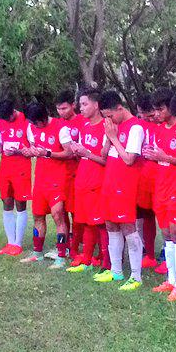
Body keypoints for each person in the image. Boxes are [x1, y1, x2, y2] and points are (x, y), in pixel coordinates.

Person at [143, 91, 176, 301]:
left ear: (170, 109)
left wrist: (165, 157)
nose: (156, 114)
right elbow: (160, 157)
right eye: (154, 110)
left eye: (160, 109)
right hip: (161, 188)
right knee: (166, 234)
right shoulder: (157, 130)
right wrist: (154, 157)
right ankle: (171, 280)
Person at [93, 90, 146, 290]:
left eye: (110, 115)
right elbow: (104, 155)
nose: (108, 119)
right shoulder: (114, 127)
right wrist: (108, 137)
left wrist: (114, 137)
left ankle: (135, 276)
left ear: (120, 108)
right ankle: (115, 271)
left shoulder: (135, 128)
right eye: (105, 116)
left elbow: (129, 159)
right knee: (110, 225)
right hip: (110, 181)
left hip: (125, 184)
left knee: (127, 227)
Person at [20, 101, 74, 267]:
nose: (34, 125)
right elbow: (32, 147)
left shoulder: (61, 128)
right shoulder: (32, 128)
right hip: (41, 179)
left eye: (36, 122)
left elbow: (69, 152)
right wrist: (29, 152)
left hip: (57, 180)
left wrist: (48, 153)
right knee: (37, 215)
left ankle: (61, 256)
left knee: (58, 215)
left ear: (43, 118)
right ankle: (37, 253)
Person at [65, 89, 110, 273]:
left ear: (96, 105)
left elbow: (106, 160)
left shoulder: (107, 127)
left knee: (99, 222)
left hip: (97, 180)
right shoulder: (84, 126)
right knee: (85, 220)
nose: (81, 108)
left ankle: (104, 259)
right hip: (82, 178)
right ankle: (87, 257)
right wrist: (78, 152)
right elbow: (85, 154)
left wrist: (87, 153)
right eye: (80, 104)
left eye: (84, 104)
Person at [0, 98, 31, 255]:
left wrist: (18, 150)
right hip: (5, 167)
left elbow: (33, 146)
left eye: (8, 117)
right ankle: (10, 242)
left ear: (13, 111)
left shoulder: (26, 120)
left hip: (21, 167)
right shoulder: (0, 122)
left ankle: (18, 243)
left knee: (20, 203)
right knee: (6, 201)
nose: (7, 121)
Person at [54, 90, 82, 259]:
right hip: (60, 174)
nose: (61, 112)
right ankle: (66, 240)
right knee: (60, 209)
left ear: (73, 105)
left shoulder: (82, 122)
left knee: (76, 210)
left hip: (77, 172)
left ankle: (77, 243)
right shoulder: (57, 124)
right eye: (58, 109)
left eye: (64, 108)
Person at [135, 95, 160, 270]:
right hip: (143, 178)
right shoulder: (139, 127)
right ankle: (149, 254)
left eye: (152, 114)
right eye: (145, 114)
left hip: (164, 177)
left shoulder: (166, 124)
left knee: (170, 221)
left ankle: (168, 256)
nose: (150, 118)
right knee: (145, 216)